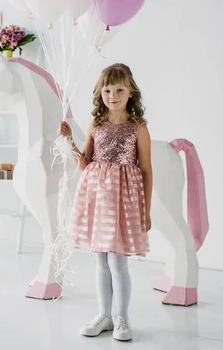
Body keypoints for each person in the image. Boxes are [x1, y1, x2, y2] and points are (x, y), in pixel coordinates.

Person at [58, 63, 152, 342]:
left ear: (131, 92)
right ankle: (104, 315)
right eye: (107, 90)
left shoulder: (138, 128)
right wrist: (70, 143)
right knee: (101, 261)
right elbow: (86, 164)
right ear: (100, 93)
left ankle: (122, 316)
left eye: (119, 89)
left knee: (118, 264)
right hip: (97, 199)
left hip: (123, 201)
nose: (112, 95)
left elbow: (146, 169)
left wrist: (145, 210)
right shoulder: (95, 125)